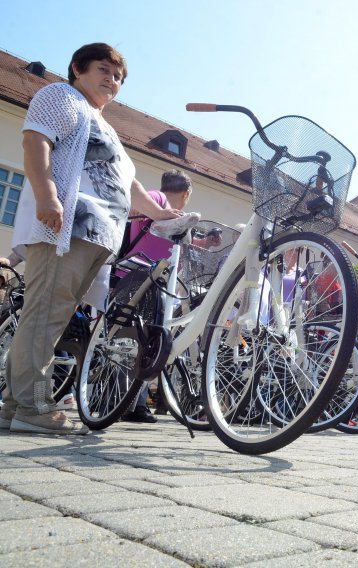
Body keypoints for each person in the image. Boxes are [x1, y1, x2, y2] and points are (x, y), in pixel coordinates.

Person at [0, 43, 180, 435]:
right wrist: (48, 195)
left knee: (52, 315)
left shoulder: (105, 127)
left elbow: (127, 184)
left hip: (94, 236)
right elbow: (35, 141)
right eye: (103, 70)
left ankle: (15, 405)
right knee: (45, 314)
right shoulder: (61, 96)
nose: (111, 80)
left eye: (117, 77)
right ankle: (34, 405)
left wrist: (161, 213)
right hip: (66, 228)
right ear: (77, 70)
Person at [121, 169, 195, 424]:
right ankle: (125, 402)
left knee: (145, 342)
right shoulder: (156, 200)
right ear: (186, 194)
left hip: (153, 281)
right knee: (135, 340)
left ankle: (134, 402)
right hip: (140, 277)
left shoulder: (177, 215)